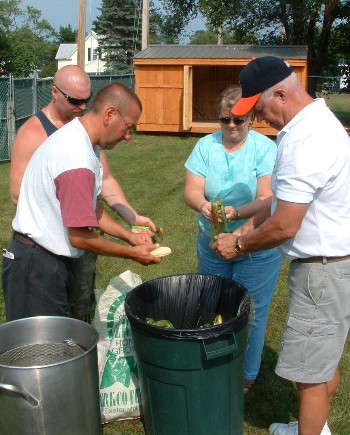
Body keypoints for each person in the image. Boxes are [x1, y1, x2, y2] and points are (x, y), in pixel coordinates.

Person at [213, 56, 350, 435]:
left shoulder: (306, 139)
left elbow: (286, 224)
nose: (258, 120)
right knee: (322, 364)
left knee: (307, 377)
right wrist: (242, 232)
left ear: (280, 92)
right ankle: (314, 429)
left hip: (322, 270)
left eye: (258, 109)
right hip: (331, 266)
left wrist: (239, 247)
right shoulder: (317, 125)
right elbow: (279, 205)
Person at [2, 82, 161, 322]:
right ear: (109, 114)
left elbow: (88, 208)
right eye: (128, 127)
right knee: (39, 353)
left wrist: (129, 235)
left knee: (59, 347)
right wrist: (131, 253)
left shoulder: (81, 140)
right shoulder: (76, 157)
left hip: (47, 263)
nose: (128, 137)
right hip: (37, 267)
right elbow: (78, 235)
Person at [183, 85, 282, 393]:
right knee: (212, 303)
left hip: (255, 243)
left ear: (251, 117)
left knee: (250, 311)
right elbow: (192, 189)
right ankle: (215, 364)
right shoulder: (205, 146)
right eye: (224, 120)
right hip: (212, 241)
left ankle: (246, 374)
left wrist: (235, 211)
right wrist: (204, 206)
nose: (231, 126)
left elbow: (268, 199)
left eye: (239, 120)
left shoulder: (265, 149)